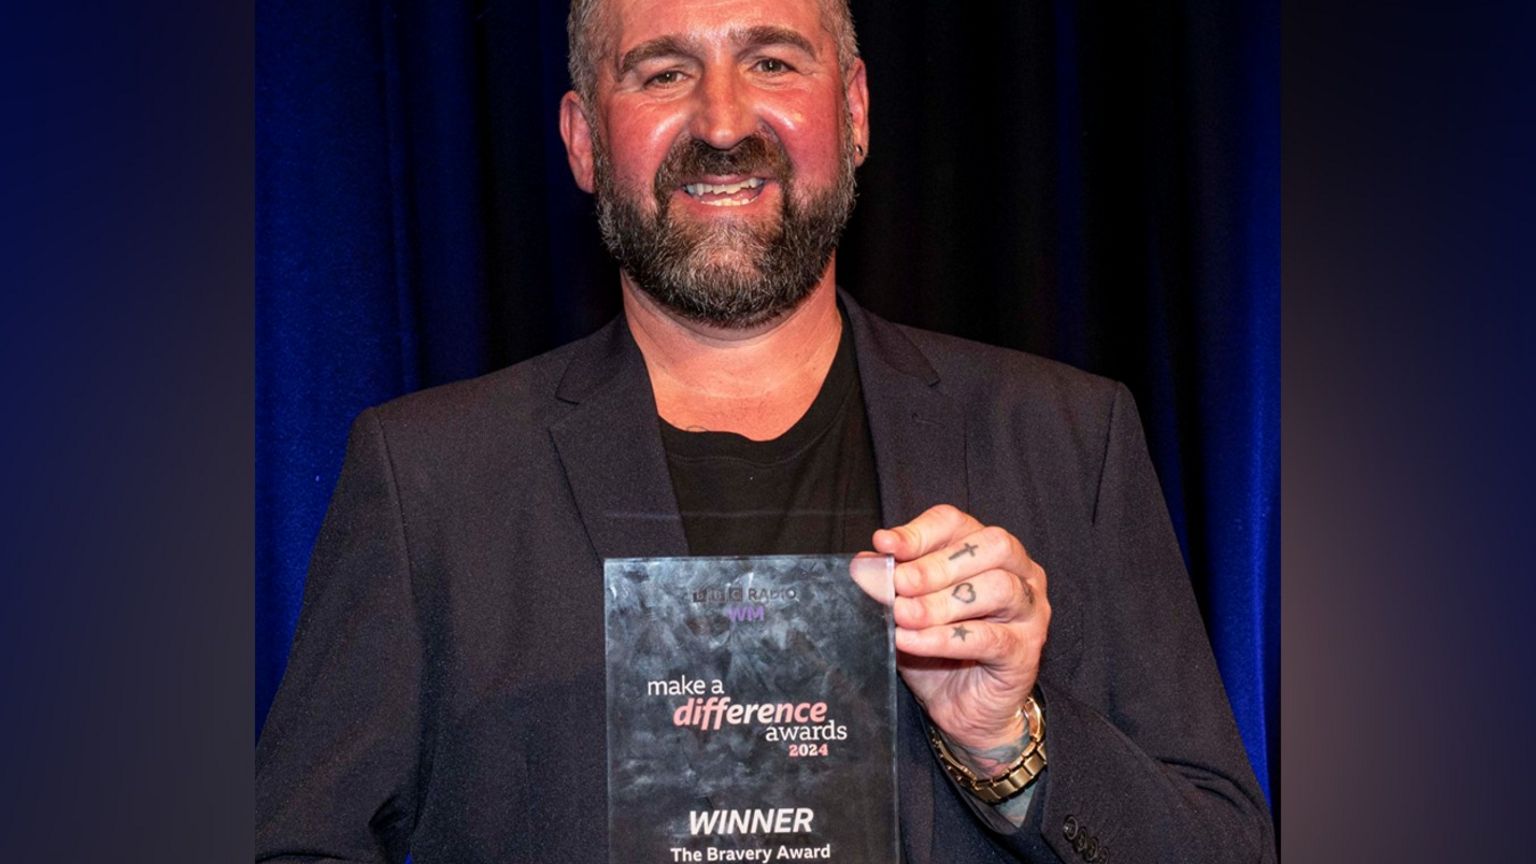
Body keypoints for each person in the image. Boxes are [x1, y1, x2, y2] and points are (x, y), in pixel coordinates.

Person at [256, 0, 1276, 861]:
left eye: (773, 61)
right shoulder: (427, 478)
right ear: (581, 139)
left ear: (858, 110)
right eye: (660, 73)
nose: (723, 119)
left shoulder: (1065, 438)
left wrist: (1010, 746)